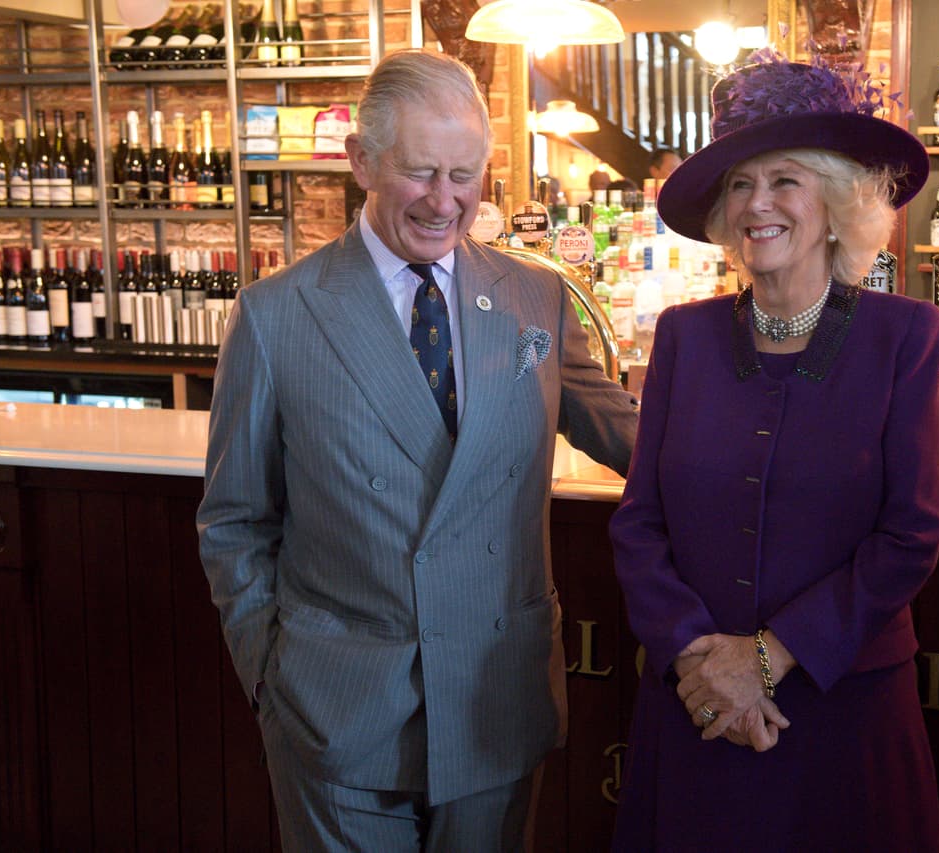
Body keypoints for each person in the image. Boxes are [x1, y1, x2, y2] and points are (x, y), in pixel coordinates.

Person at [197, 48, 638, 852]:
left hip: (495, 693)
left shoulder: (535, 294)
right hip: (337, 709)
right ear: (362, 160)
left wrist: (765, 456)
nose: (445, 201)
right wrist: (271, 677)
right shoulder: (275, 313)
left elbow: (625, 431)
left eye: (465, 175)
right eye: (420, 172)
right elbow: (234, 520)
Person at [608, 50, 939, 850]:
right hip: (696, 706)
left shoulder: (904, 336)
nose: (757, 203)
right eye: (739, 184)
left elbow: (911, 532)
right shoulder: (683, 336)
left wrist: (768, 657)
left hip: (840, 707)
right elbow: (639, 522)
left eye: (784, 180)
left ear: (835, 205)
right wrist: (700, 662)